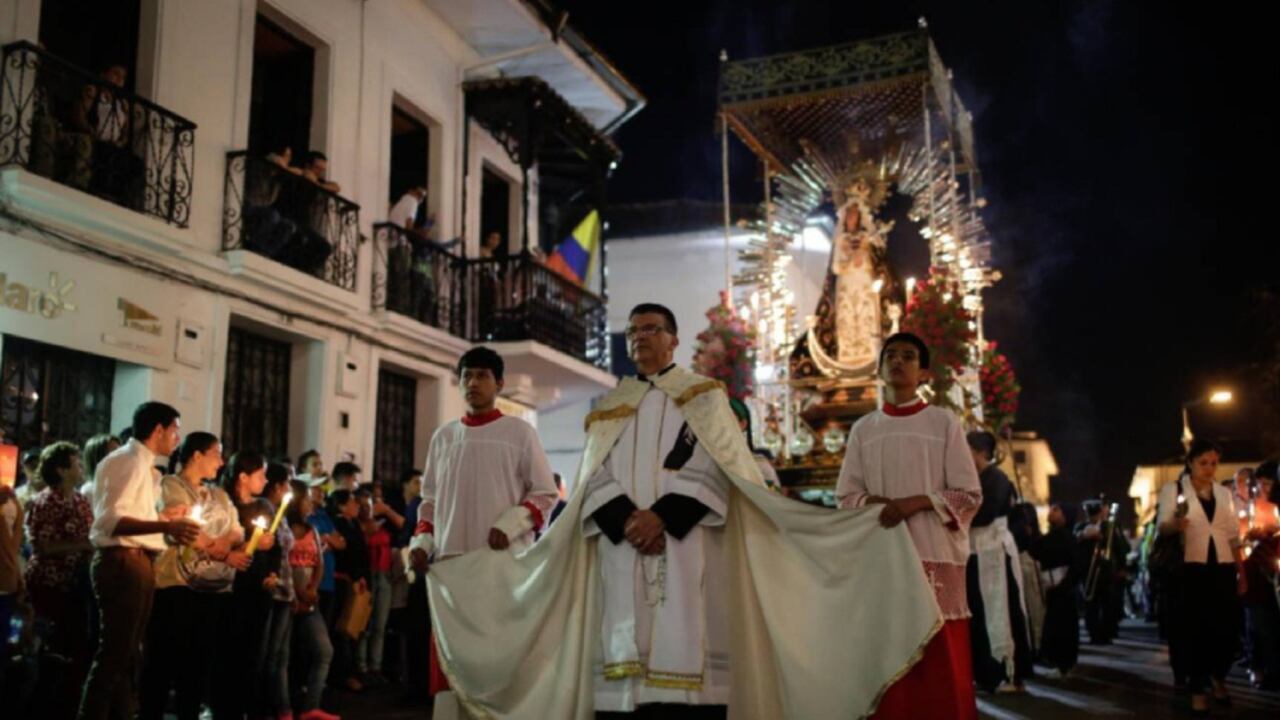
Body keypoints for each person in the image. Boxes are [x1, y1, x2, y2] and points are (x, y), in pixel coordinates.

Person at [424, 310, 942, 720]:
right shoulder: (611, 406)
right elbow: (591, 475)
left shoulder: (705, 397)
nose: (639, 338)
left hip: (687, 540)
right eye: (632, 331)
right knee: (620, 662)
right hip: (619, 546)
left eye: (651, 329)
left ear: (672, 339)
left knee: (688, 651)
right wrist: (627, 519)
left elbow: (719, 468)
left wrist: (662, 519)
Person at [837, 332, 983, 718]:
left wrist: (915, 502)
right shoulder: (864, 429)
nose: (898, 361)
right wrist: (875, 503)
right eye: (891, 355)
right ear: (880, 368)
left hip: (932, 551)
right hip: (883, 554)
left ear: (924, 372)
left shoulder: (942, 422)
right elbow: (846, 497)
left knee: (940, 659)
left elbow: (969, 493)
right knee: (888, 654)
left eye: (908, 356)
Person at [406, 346, 558, 714]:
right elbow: (430, 501)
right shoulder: (443, 437)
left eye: (482, 376)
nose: (473, 383)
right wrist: (422, 542)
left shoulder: (520, 432)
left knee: (500, 658)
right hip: (452, 570)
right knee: (450, 663)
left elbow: (544, 493)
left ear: (500, 383)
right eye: (466, 376)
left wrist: (510, 525)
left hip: (499, 565)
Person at [79, 402, 199, 720]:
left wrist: (161, 517)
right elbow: (110, 522)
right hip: (122, 563)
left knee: (128, 655)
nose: (177, 437)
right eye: (174, 429)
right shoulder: (128, 462)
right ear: (157, 430)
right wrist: (165, 526)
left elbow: (131, 516)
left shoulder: (143, 466)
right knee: (114, 655)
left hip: (137, 561)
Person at [139, 432, 248, 720]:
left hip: (212, 589)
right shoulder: (169, 486)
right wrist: (223, 551)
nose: (221, 461)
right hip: (176, 584)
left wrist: (225, 543)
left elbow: (238, 529)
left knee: (199, 663)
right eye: (217, 453)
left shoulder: (219, 494)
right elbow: (185, 529)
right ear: (197, 455)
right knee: (164, 660)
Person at [1157, 439, 1245, 715]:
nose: (1209, 468)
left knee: (1226, 628)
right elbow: (1162, 525)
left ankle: (1218, 676)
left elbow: (1232, 534)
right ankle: (1197, 688)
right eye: (1203, 463)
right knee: (1194, 629)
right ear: (1191, 463)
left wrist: (1241, 570)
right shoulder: (1174, 489)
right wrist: (1175, 524)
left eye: (1214, 463)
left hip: (1221, 566)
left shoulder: (1223, 493)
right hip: (1190, 568)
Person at [24, 442, 95, 719]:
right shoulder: (45, 502)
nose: (80, 468)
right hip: (48, 584)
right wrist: (80, 545)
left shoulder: (79, 500)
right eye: (75, 463)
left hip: (75, 585)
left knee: (73, 648)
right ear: (61, 469)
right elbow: (42, 547)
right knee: (48, 646)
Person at [212, 450, 278, 720]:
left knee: (255, 653)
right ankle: (225, 708)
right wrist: (252, 539)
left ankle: (253, 708)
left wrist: (273, 572)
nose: (265, 480)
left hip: (258, 588)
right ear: (243, 476)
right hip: (229, 588)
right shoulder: (224, 505)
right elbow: (221, 541)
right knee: (228, 652)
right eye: (260, 475)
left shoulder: (264, 506)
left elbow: (275, 547)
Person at [964, 430, 1032, 694]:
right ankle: (986, 674)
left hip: (994, 553)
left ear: (981, 452)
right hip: (976, 553)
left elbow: (983, 514)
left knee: (1002, 610)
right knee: (979, 614)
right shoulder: (977, 478)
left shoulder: (997, 478)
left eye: (967, 450)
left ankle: (1008, 672)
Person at [286, 481, 340, 720]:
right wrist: (298, 591)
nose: (310, 503)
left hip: (309, 598)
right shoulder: (283, 529)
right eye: (306, 499)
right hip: (287, 597)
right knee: (284, 655)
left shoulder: (312, 530)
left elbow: (319, 561)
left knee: (323, 650)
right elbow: (283, 563)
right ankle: (283, 706)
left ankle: (311, 705)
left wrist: (311, 590)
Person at [260, 463, 298, 720]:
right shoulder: (264, 511)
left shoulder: (282, 514)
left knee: (280, 655)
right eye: (286, 484)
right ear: (277, 486)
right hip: (271, 590)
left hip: (285, 589)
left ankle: (282, 708)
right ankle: (263, 708)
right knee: (267, 655)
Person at [356, 483, 402, 685]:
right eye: (365, 504)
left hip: (384, 575)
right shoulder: (357, 526)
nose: (369, 508)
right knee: (364, 625)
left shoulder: (384, 524)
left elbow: (403, 526)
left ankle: (376, 667)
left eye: (372, 503)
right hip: (368, 574)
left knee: (380, 625)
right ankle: (361, 667)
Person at [1032, 503, 1081, 677]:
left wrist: (1065, 584)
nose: (1051, 511)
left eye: (1057, 509)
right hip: (1054, 589)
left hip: (1064, 589)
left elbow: (1076, 566)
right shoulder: (1051, 537)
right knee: (1054, 626)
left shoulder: (1068, 538)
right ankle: (1059, 664)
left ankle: (1065, 665)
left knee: (1065, 627)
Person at [329, 488, 369, 692]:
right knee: (343, 629)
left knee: (355, 628)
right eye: (352, 502)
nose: (357, 505)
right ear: (342, 505)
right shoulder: (339, 524)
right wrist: (353, 576)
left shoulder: (354, 524)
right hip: (344, 580)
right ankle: (342, 675)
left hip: (357, 580)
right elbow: (347, 554)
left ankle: (351, 671)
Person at [1244, 460, 1280, 689]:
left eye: (1269, 483)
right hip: (1261, 570)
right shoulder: (1253, 507)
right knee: (1262, 624)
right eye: (1261, 484)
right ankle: (1263, 667)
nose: (1265, 488)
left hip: (1272, 563)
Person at [1076, 498, 1129, 644]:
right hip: (1088, 571)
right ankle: (1094, 633)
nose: (1092, 517)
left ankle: (1107, 633)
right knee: (1091, 604)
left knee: (1108, 603)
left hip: (1106, 570)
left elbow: (1120, 547)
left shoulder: (1109, 527)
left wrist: (1122, 567)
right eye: (1090, 514)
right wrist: (1084, 537)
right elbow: (1075, 543)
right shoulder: (1081, 527)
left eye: (1094, 513)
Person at [79, 434, 120, 499]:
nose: (120, 457)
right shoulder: (89, 491)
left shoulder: (122, 486)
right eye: (114, 453)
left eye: (120, 452)